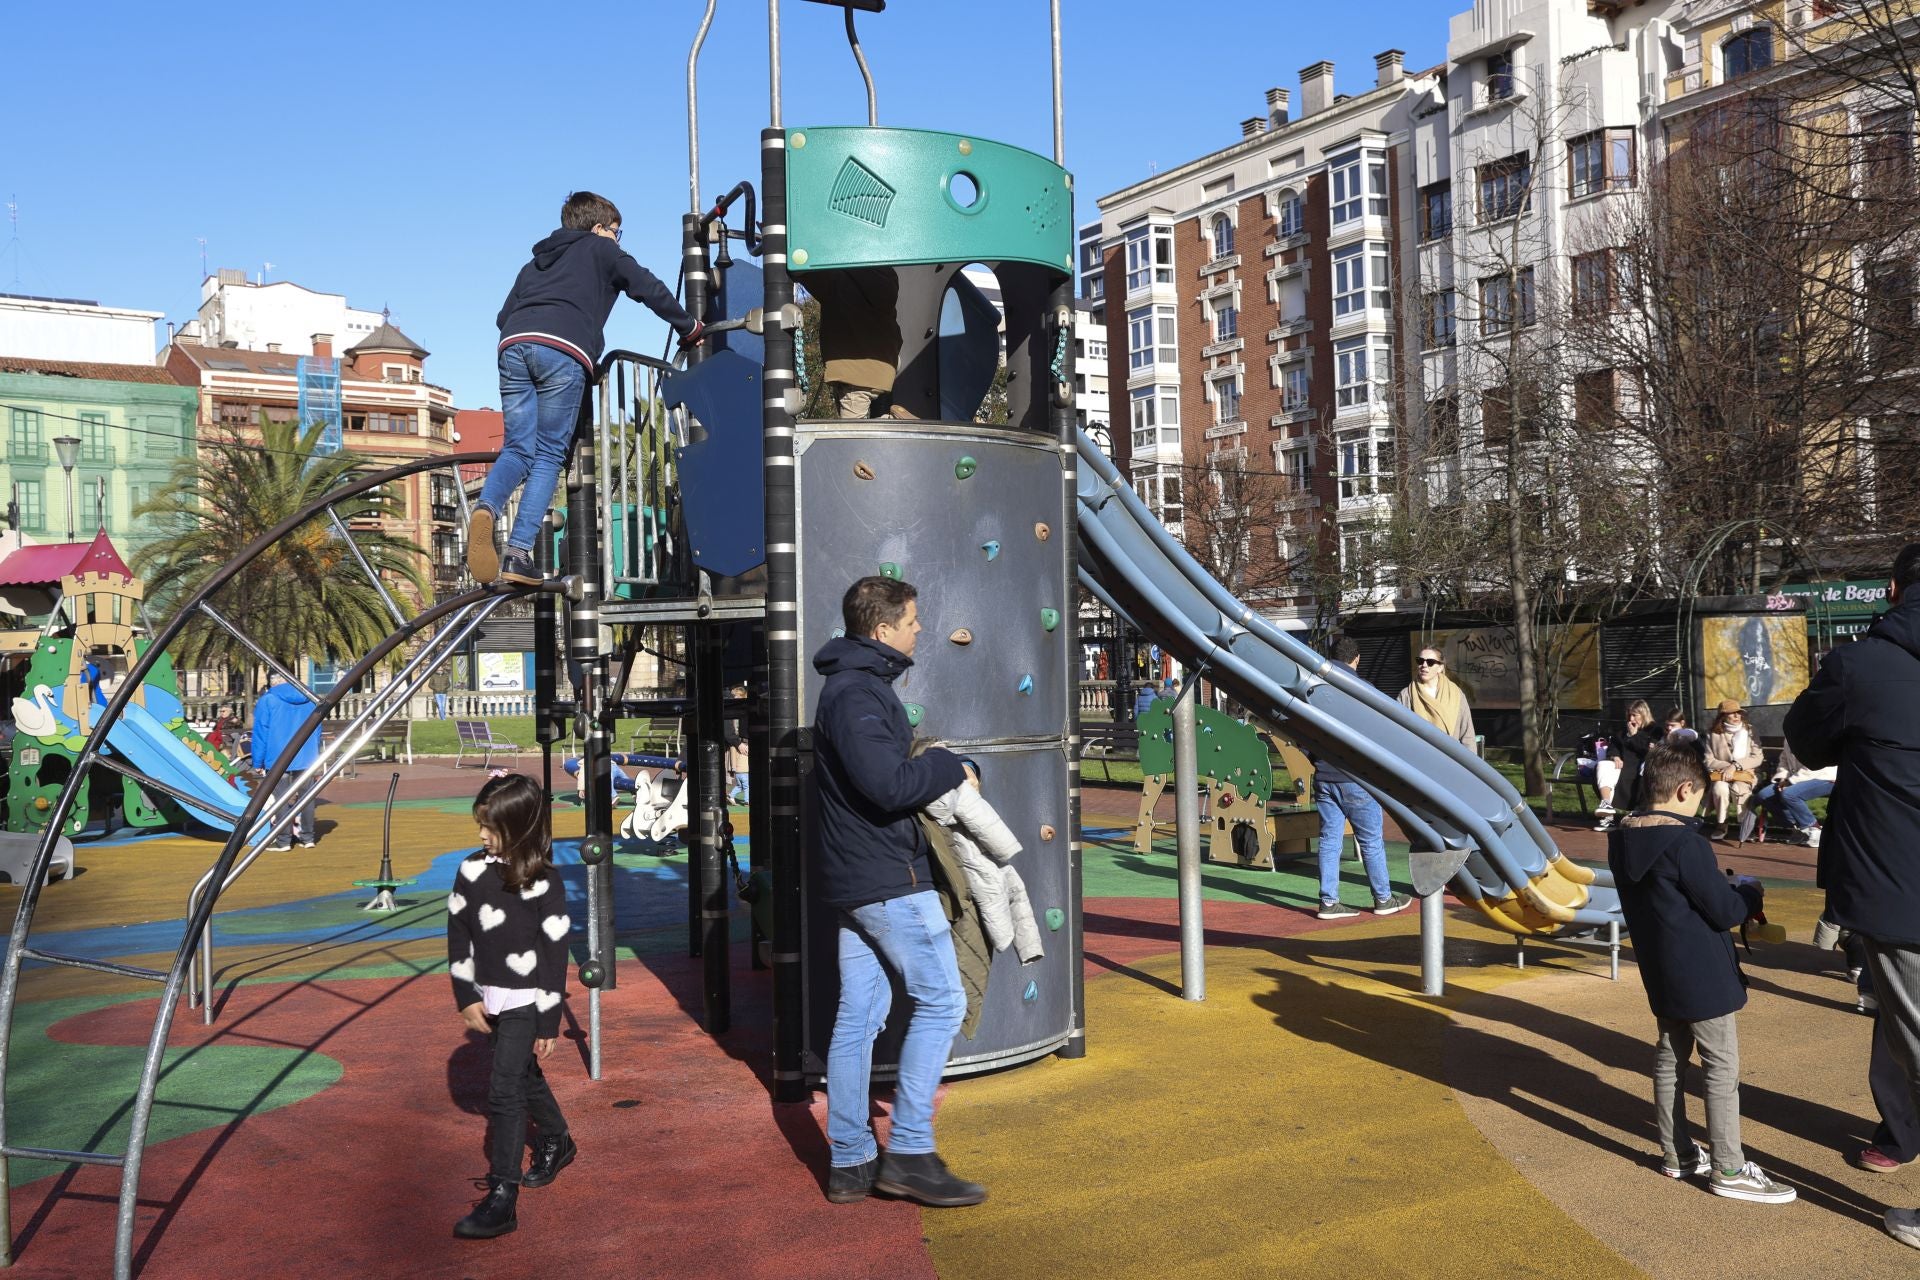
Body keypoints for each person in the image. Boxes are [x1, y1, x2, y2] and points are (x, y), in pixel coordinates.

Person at [811, 575, 986, 1208]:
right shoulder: (857, 694)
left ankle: (852, 1160)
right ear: (882, 630)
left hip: (859, 878)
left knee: (859, 1015)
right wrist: (946, 763)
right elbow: (886, 785)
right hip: (886, 879)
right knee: (941, 1000)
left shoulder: (854, 689)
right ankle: (910, 1150)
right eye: (911, 621)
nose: (918, 630)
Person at [1784, 542, 1920, 1249]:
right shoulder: (1867, 667)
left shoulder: (1861, 664)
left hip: (1900, 888)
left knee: (1913, 1022)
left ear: (1895, 588)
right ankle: (1901, 1128)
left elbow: (1805, 740)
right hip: (1898, 885)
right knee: (1898, 1018)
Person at [472, 191, 705, 587]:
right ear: (599, 228)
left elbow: (502, 317)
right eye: (617, 232)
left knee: (516, 448)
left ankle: (487, 509)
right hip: (562, 349)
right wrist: (689, 326)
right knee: (548, 455)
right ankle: (517, 553)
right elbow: (646, 286)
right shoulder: (602, 249)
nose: (618, 239)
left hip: (512, 345)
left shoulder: (535, 263)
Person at [1607, 742, 1796, 1203]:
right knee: (1721, 1066)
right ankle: (1729, 1167)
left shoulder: (1621, 836)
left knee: (1670, 1059)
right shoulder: (1685, 843)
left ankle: (1679, 1154)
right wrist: (1748, 892)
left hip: (1660, 967)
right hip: (1702, 973)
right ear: (1685, 789)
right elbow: (1725, 910)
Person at [446, 773, 575, 1239]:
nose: (481, 834)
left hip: (527, 999)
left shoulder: (546, 884)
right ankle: (558, 1138)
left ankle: (504, 1194)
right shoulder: (471, 871)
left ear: (519, 828)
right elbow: (458, 934)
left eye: (491, 826)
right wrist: (466, 996)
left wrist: (548, 1021)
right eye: (479, 823)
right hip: (491, 995)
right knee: (521, 1075)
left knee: (503, 1089)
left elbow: (555, 954)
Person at [1313, 637, 1411, 920]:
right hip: (1356, 776)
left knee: (1329, 839)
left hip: (1325, 774)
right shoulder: (1363, 691)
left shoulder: (1318, 688)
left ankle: (1329, 901)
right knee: (1370, 840)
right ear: (1356, 660)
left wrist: (1315, 759)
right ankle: (1383, 897)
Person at [807, 267, 913, 419]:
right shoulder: (884, 276)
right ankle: (887, 422)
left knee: (852, 432)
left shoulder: (838, 279)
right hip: (884, 362)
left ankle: (893, 424)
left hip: (855, 371)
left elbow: (806, 273)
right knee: (854, 425)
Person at [251, 677, 322, 850]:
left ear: (272, 682)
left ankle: (283, 840)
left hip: (277, 756)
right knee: (307, 797)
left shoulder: (268, 700)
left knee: (280, 798)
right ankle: (308, 837)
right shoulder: (310, 698)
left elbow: (261, 731)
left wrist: (257, 761)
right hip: (306, 755)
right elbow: (318, 729)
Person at [1742, 742, 1834, 846]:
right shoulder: (1790, 732)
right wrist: (1782, 777)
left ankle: (1814, 829)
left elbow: (1813, 765)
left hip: (1825, 776)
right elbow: (1784, 758)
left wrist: (1790, 782)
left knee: (1789, 794)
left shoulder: (1812, 732)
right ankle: (1799, 828)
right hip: (1798, 778)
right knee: (1764, 795)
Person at [1703, 699, 1763, 840]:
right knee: (1719, 788)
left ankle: (1745, 826)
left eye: (1739, 713)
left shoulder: (1750, 731)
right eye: (1732, 713)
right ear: (1723, 716)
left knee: (1738, 788)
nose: (1737, 716)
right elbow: (1708, 760)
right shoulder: (1713, 734)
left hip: (1746, 774)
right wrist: (1727, 768)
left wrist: (1735, 766)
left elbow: (1758, 758)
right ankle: (1721, 824)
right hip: (1722, 774)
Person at [1595, 700, 1660, 830]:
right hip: (1622, 766)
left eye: (1635, 715)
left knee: (1642, 775)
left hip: (1640, 767)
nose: (1631, 719)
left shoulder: (1654, 730)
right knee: (1603, 765)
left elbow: (1647, 750)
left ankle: (1632, 814)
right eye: (1630, 715)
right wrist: (1615, 756)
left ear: (1643, 714)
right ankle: (1606, 807)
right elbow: (1613, 746)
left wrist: (1634, 736)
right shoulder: (1623, 730)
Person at [1398, 645, 1476, 752]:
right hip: (1418, 756)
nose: (1424, 665)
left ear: (1440, 667)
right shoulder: (1406, 695)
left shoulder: (1456, 694)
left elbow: (1467, 735)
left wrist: (1470, 765)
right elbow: (1400, 732)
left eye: (1430, 662)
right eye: (1420, 661)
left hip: (1451, 758)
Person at [726, 734, 750, 806]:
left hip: (738, 771)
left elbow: (732, 757)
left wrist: (733, 768)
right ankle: (747, 801)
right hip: (744, 771)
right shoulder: (746, 746)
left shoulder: (734, 746)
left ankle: (731, 795)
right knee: (746, 787)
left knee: (740, 786)